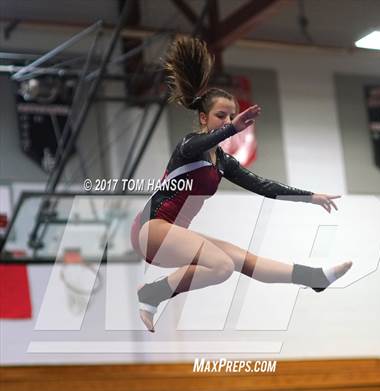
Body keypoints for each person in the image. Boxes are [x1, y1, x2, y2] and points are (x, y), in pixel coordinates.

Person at [131, 35, 352, 332]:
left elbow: (262, 185)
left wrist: (310, 196)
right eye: (220, 115)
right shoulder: (190, 146)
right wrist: (232, 128)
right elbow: (210, 139)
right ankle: (153, 293)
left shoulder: (222, 162)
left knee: (242, 260)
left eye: (231, 116)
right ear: (203, 117)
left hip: (172, 235)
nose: (227, 121)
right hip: (151, 229)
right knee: (220, 267)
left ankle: (314, 279)